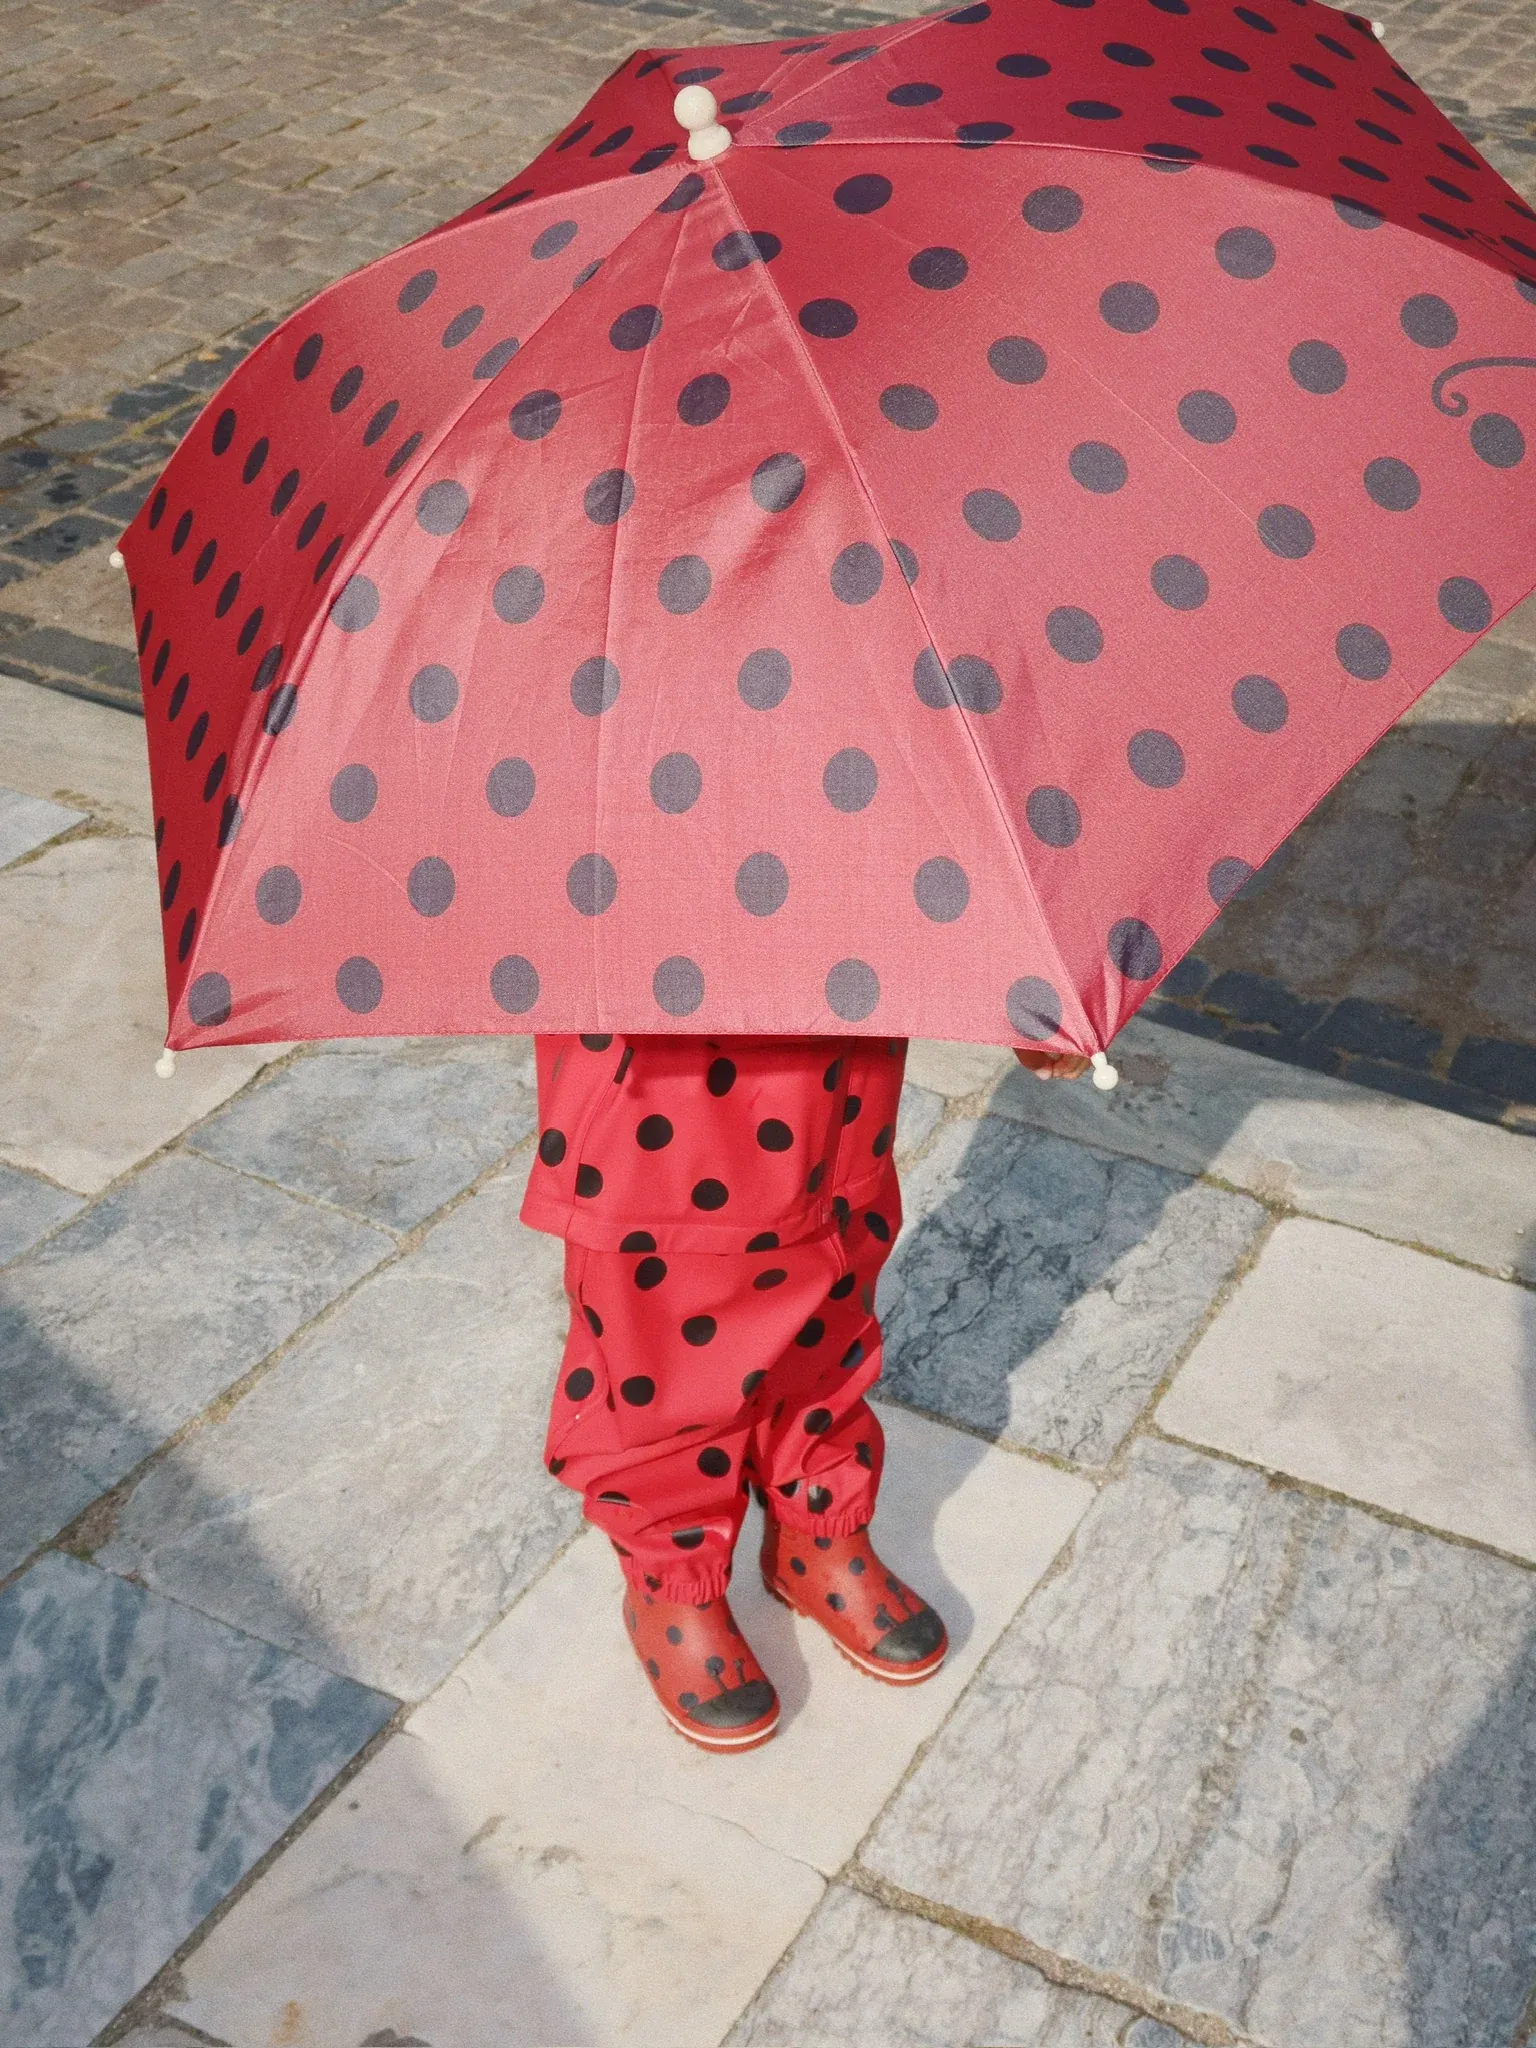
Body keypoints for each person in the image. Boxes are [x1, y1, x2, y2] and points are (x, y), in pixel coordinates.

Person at [521, 1031, 1089, 1752]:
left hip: (831, 997)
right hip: (653, 1016)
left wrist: (1016, 991)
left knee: (832, 1258)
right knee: (663, 1313)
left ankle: (816, 1522)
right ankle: (674, 1570)